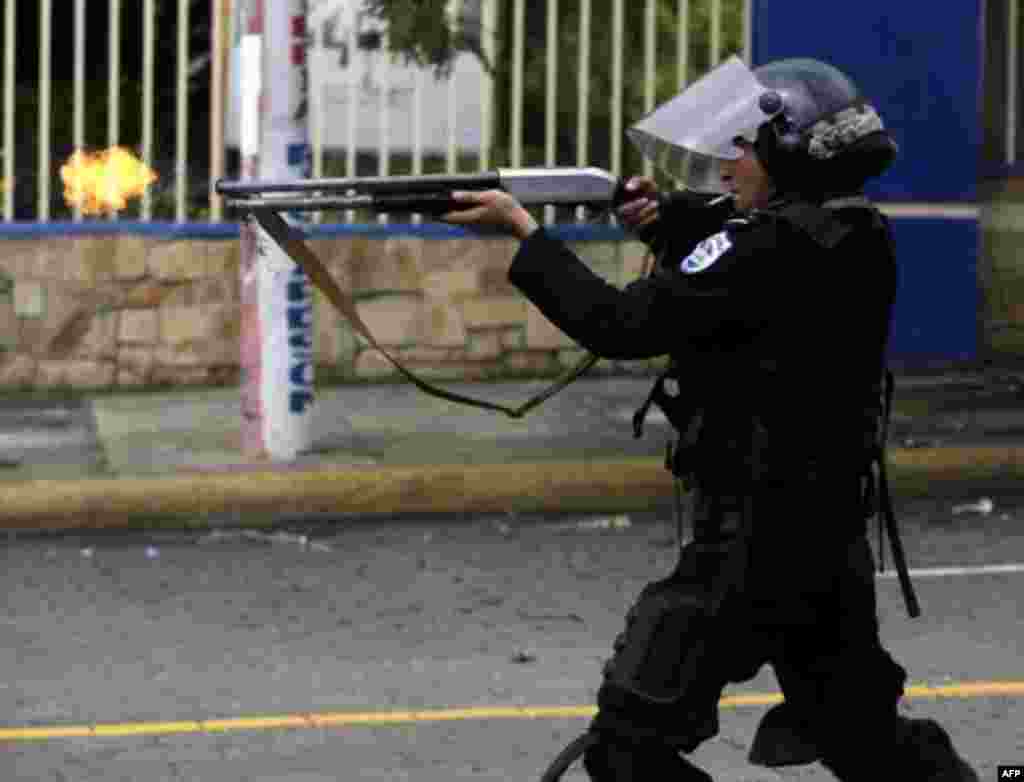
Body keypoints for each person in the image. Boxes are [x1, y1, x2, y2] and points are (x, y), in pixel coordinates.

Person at [442, 56, 979, 782]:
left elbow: (621, 321)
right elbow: (734, 269)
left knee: (627, 749)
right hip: (823, 545)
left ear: (789, 155)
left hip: (749, 552)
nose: (730, 163)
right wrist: (664, 220)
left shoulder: (768, 248)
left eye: (745, 148)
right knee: (864, 744)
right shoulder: (855, 234)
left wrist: (527, 237)